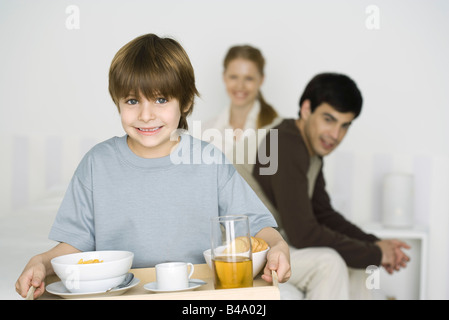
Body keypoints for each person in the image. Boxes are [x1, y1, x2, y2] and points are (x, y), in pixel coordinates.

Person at [15, 34, 291, 299]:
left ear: (185, 102)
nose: (146, 115)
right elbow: (74, 247)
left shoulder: (209, 160)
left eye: (161, 99)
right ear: (117, 102)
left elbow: (259, 229)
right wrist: (41, 262)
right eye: (132, 101)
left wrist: (279, 246)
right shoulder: (96, 164)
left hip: (195, 297)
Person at [250, 72, 411, 299]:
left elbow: (324, 214)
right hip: (245, 251)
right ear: (306, 110)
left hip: (271, 246)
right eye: (329, 119)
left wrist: (375, 244)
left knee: (358, 265)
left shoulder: (310, 153)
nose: (335, 135)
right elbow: (303, 234)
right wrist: (375, 253)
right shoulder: (285, 144)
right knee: (329, 262)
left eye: (345, 125)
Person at [199, 45, 282, 162]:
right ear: (224, 77)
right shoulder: (205, 132)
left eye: (249, 78)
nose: (240, 86)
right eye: (233, 77)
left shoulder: (276, 129)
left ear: (261, 80)